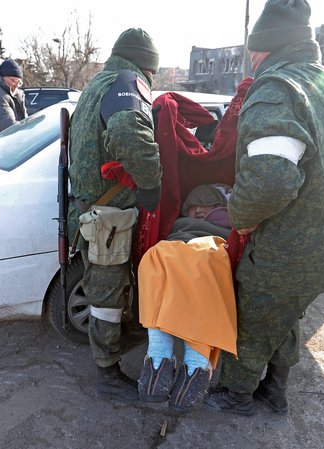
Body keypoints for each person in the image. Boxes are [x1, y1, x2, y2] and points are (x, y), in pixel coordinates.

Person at [203, 0, 324, 416]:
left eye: (252, 51)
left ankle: (237, 395)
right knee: (286, 313)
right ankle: (275, 389)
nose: (251, 59)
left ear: (262, 49)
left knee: (253, 317)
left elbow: (272, 180)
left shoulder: (276, 89)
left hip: (286, 250)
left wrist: (240, 217)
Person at [67, 28, 162, 403]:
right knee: (105, 298)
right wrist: (151, 185)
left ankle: (111, 353)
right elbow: (128, 130)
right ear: (148, 67)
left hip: (94, 211)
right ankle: (107, 374)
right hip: (108, 216)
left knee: (106, 290)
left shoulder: (98, 83)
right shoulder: (127, 82)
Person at [137, 184, 236, 411]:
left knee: (163, 281)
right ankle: (194, 369)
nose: (199, 209)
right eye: (194, 206)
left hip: (176, 252)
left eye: (204, 205)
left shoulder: (207, 220)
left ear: (218, 207)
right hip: (193, 253)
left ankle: (158, 361)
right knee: (201, 287)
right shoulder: (218, 220)